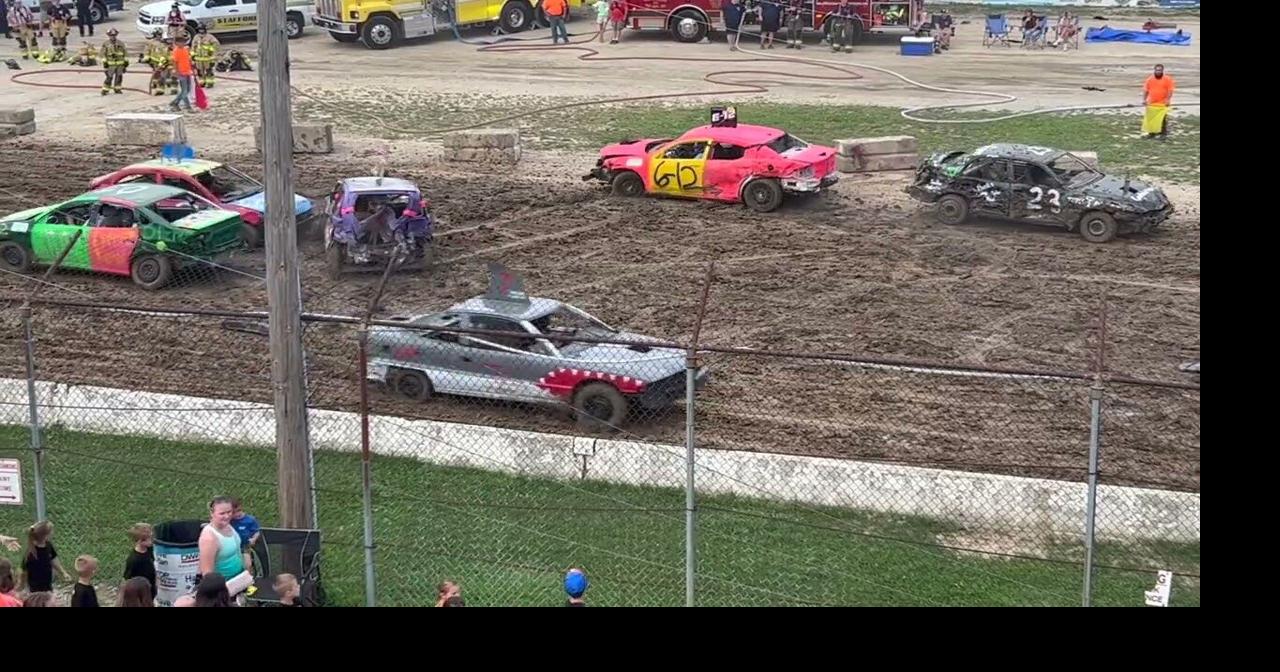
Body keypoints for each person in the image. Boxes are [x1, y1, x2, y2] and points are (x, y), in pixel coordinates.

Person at [198, 497, 246, 601]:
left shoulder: (228, 526)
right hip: (224, 587)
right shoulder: (209, 538)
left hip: (239, 579)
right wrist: (220, 594)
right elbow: (207, 574)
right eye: (222, 513)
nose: (227, 516)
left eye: (229, 512)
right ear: (212, 513)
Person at [21, 521, 70, 593]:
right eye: (51, 531)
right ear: (45, 535)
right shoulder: (31, 553)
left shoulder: (48, 545)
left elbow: (53, 559)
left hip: (47, 585)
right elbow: (24, 571)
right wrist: (21, 586)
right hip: (35, 589)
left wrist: (63, 572)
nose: (53, 533)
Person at [123, 522, 157, 598]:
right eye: (149, 539)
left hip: (151, 587)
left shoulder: (149, 549)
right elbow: (128, 578)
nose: (152, 541)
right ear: (140, 541)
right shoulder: (134, 560)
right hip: (141, 593)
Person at [1142, 64, 1174, 140]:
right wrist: (1144, 100)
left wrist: (1168, 100)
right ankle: (1151, 133)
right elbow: (1146, 90)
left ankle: (1163, 134)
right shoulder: (1150, 79)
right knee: (1151, 119)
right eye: (1157, 70)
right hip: (1151, 103)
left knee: (1162, 119)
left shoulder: (1167, 79)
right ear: (1154, 70)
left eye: (1160, 70)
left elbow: (1170, 90)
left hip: (1162, 103)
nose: (1158, 71)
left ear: (1162, 70)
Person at [230, 497, 261, 572]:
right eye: (234, 513)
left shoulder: (250, 520)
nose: (237, 514)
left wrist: (253, 539)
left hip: (245, 545)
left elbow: (257, 532)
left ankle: (249, 578)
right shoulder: (229, 520)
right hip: (232, 546)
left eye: (239, 511)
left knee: (248, 564)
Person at [169, 33, 195, 112]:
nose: (183, 43)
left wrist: (192, 68)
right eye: (181, 42)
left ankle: (174, 103)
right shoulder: (176, 51)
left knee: (187, 90)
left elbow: (188, 60)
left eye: (184, 42)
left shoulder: (185, 49)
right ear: (176, 43)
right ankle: (188, 107)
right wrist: (176, 72)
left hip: (187, 72)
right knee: (184, 91)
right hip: (181, 73)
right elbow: (175, 62)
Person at [99, 28, 128, 95]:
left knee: (119, 77)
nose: (113, 37)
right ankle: (105, 90)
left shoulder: (121, 43)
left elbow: (125, 53)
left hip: (120, 64)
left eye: (114, 35)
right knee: (109, 78)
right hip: (110, 65)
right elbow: (102, 54)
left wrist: (126, 62)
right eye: (111, 35)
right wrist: (105, 63)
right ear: (108, 36)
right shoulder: (106, 44)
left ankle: (117, 89)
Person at [141, 29, 170, 96]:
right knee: (156, 74)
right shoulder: (151, 42)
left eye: (160, 35)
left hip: (163, 62)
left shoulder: (164, 43)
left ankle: (160, 89)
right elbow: (147, 50)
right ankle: (155, 84)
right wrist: (146, 57)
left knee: (162, 75)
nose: (159, 36)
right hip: (154, 61)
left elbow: (167, 52)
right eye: (157, 35)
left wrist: (166, 60)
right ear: (154, 35)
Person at [192, 23, 219, 87]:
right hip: (198, 58)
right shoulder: (196, 37)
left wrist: (211, 51)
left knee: (208, 70)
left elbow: (216, 45)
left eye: (202, 29)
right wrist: (192, 56)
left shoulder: (210, 37)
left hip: (208, 58)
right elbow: (193, 47)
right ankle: (202, 82)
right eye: (199, 29)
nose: (201, 31)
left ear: (205, 29)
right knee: (199, 71)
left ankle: (210, 82)